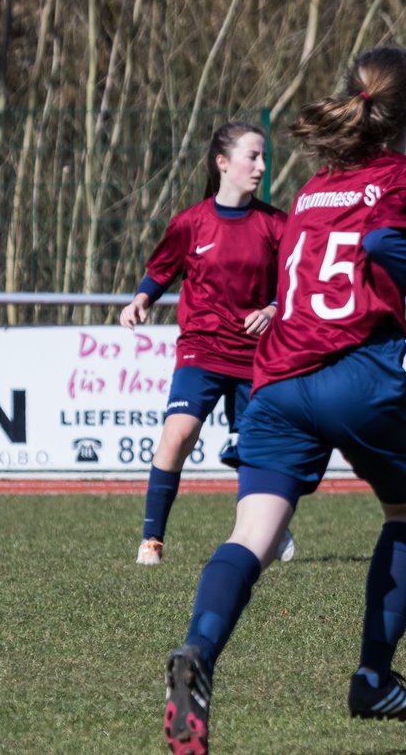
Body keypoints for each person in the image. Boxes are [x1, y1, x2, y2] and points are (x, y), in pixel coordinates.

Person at [162, 46, 406, 753]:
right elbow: (382, 240)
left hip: (278, 380)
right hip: (356, 371)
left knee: (251, 534)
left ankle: (198, 651)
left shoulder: (316, 186)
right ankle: (373, 677)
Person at [121, 121, 291, 566]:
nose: (261, 165)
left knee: (255, 449)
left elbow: (296, 283)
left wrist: (273, 309)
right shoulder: (191, 223)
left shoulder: (276, 225)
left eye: (264, 157)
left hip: (258, 354)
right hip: (202, 349)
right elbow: (161, 270)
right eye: (252, 156)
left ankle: (272, 526)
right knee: (178, 434)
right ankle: (152, 540)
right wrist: (141, 298)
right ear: (222, 163)